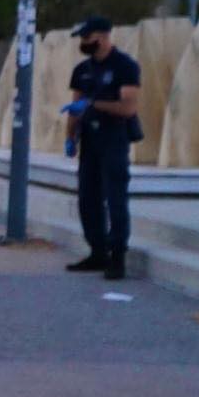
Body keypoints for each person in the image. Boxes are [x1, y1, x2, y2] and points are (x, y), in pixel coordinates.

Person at [64, 17, 142, 280]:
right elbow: (74, 106)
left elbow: (129, 108)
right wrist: (70, 137)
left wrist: (93, 105)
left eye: (88, 38)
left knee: (115, 197)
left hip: (114, 137)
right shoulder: (82, 70)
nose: (84, 43)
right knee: (88, 198)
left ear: (104, 36)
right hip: (90, 139)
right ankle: (97, 251)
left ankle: (117, 256)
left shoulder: (125, 66)